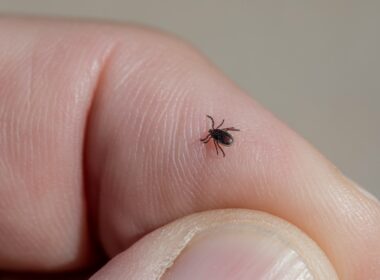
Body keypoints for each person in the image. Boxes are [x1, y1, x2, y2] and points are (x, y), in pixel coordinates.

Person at [0, 18, 379, 280]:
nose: (215, 136)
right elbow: (222, 133)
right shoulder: (216, 137)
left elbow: (220, 133)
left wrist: (216, 139)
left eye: (215, 135)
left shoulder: (215, 136)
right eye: (216, 135)